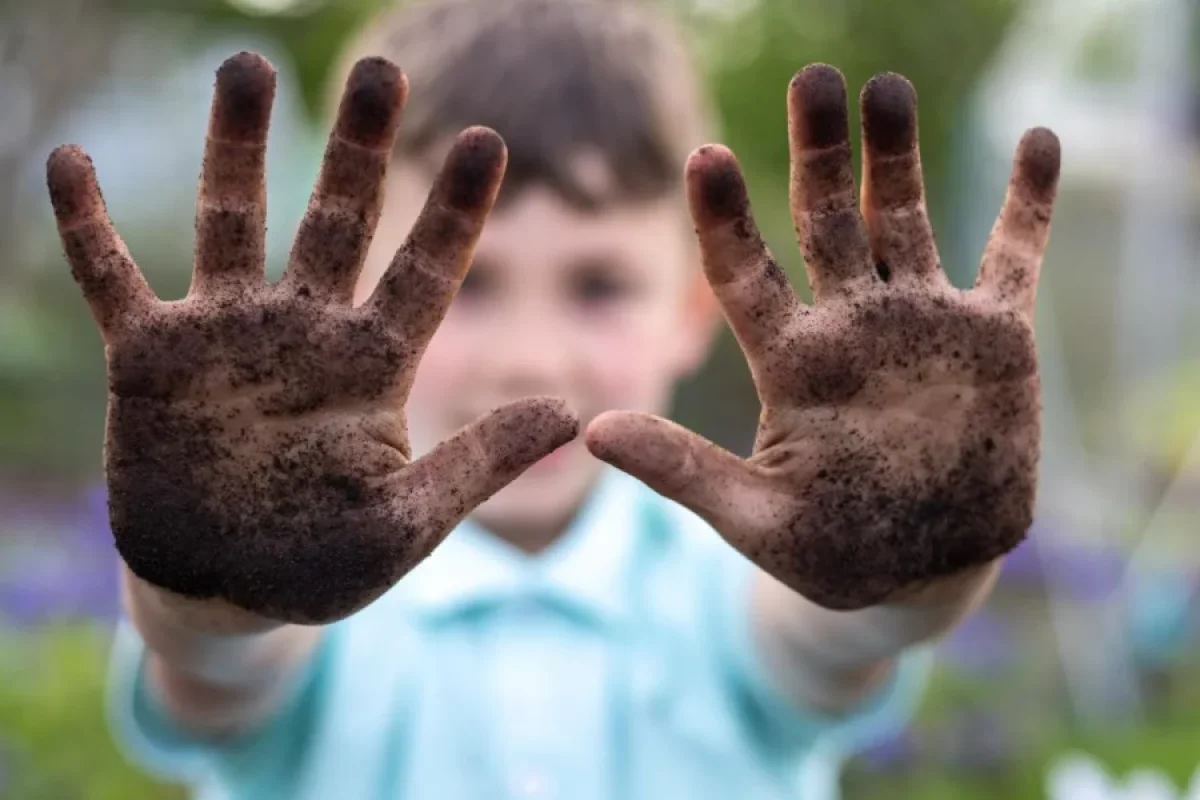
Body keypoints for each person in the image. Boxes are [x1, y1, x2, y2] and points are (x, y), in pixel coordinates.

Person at [44, 0, 1061, 796]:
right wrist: (217, 597)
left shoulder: (735, 576)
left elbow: (835, 641)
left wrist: (907, 560)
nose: (530, 359)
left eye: (599, 286)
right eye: (464, 284)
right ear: (344, 309)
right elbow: (219, 671)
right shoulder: (309, 593)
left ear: (697, 312)